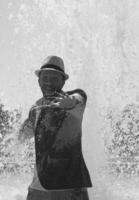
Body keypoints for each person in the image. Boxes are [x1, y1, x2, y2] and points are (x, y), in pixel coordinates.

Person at [18, 55, 92, 200]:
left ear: (63, 81)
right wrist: (13, 140)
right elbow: (22, 136)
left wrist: (71, 101)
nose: (49, 83)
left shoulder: (73, 102)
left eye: (54, 79)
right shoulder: (35, 108)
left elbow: (79, 97)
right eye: (45, 78)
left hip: (70, 186)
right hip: (38, 186)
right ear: (38, 80)